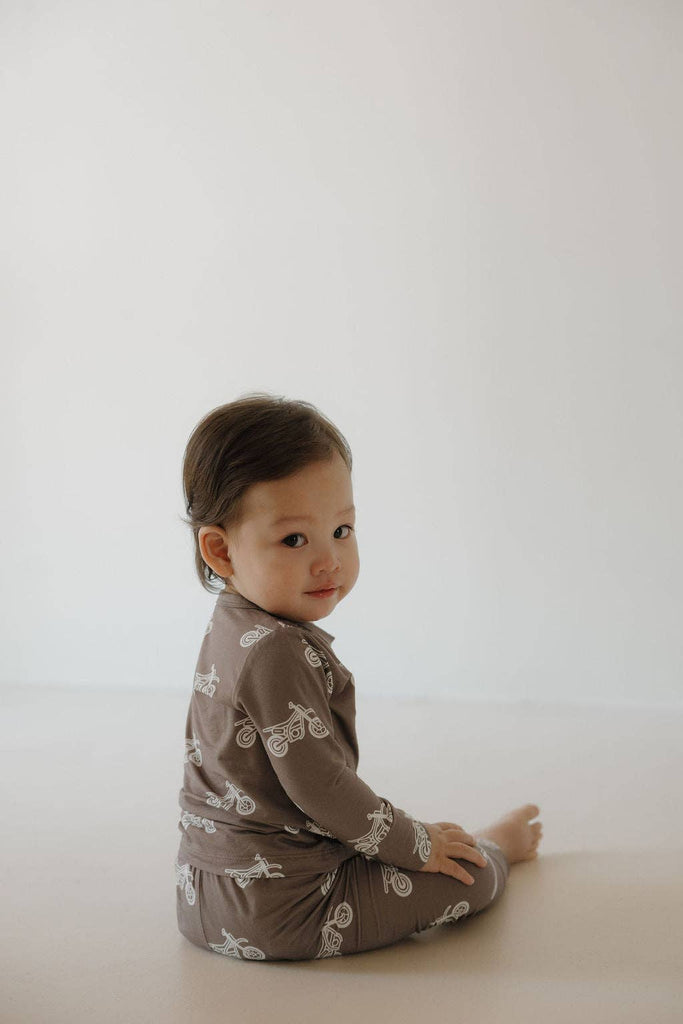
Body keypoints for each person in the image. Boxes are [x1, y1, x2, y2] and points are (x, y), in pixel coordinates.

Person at [175, 392, 543, 961]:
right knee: (468, 878)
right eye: (294, 539)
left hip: (203, 890)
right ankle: (496, 845)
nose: (330, 560)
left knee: (376, 843)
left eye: (342, 530)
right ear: (220, 552)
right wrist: (418, 845)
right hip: (288, 908)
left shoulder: (232, 623)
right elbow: (323, 789)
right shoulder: (276, 651)